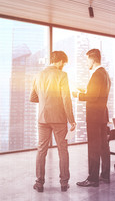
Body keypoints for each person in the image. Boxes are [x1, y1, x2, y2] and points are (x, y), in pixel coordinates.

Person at [30, 51, 76, 192]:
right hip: (59, 119)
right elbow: (66, 99)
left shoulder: (38, 75)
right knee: (62, 150)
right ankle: (63, 183)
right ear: (60, 61)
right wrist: (72, 120)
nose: (64, 66)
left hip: (43, 118)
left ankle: (39, 183)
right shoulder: (62, 75)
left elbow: (33, 97)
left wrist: (45, 100)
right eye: (64, 63)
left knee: (41, 150)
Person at [74, 49, 111, 187]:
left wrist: (77, 95)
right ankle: (105, 175)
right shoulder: (105, 74)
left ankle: (93, 179)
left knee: (93, 147)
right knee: (103, 146)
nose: (87, 63)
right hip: (102, 115)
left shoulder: (96, 74)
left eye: (87, 60)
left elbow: (93, 96)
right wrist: (84, 90)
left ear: (93, 59)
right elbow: (98, 94)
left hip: (94, 117)